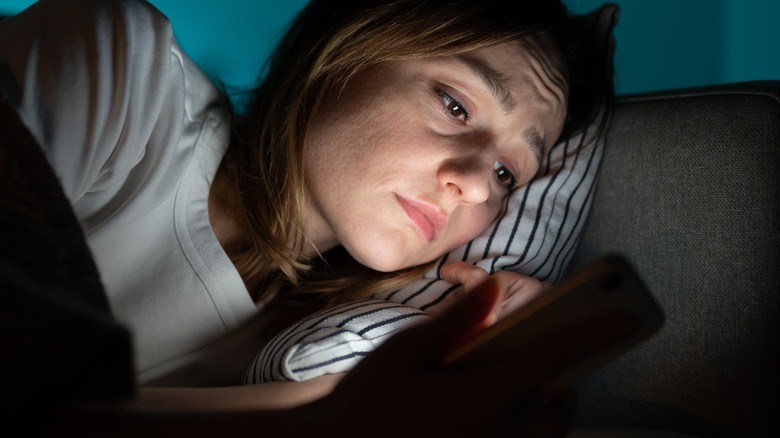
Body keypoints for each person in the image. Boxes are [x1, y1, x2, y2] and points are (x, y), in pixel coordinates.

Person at [0, 0, 614, 434]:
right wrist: (324, 412)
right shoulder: (123, 69)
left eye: (509, 175)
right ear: (350, 47)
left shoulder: (317, 347)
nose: (477, 186)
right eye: (456, 105)